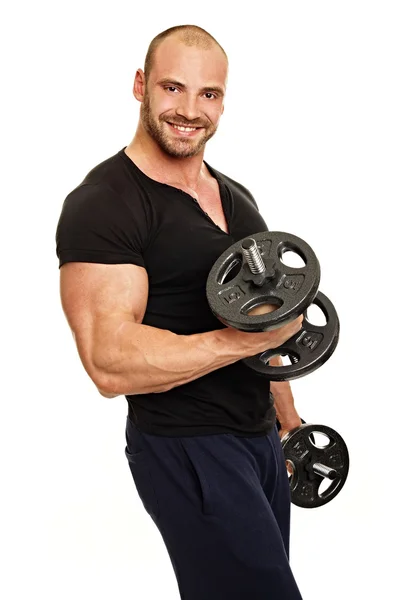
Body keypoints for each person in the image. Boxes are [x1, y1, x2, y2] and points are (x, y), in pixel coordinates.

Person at [55, 24, 304, 600]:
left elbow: (267, 318)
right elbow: (108, 362)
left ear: (223, 100)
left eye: (208, 94)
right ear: (141, 86)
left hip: (258, 438)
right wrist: (241, 341)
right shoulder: (104, 203)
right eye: (173, 88)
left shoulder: (235, 197)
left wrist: (288, 420)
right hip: (186, 443)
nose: (190, 110)